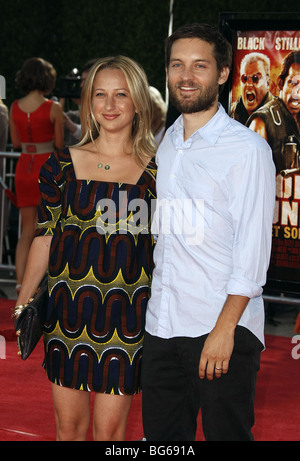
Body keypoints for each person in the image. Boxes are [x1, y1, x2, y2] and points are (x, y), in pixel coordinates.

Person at [142, 23, 276, 441]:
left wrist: (224, 331)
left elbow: (253, 253)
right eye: (177, 65)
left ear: (222, 74)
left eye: (200, 65)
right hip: (162, 325)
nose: (186, 76)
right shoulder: (166, 143)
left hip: (220, 327)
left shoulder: (247, 149)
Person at [14, 55, 156, 441]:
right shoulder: (60, 166)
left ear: (139, 101)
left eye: (121, 94)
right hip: (68, 313)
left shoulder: (161, 171)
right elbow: (44, 237)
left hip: (128, 318)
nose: (109, 106)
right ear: (87, 103)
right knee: (69, 429)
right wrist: (24, 301)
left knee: (110, 433)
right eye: (100, 95)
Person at [9, 57, 64, 293]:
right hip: (47, 169)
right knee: (49, 229)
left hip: (23, 168)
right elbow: (60, 144)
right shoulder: (54, 108)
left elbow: (16, 142)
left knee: (26, 231)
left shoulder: (14, 107)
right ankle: (43, 285)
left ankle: (21, 283)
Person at [247, 50, 300, 174]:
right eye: (293, 83)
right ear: (281, 83)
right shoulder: (261, 123)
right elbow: (250, 177)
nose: (297, 93)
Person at [231, 52, 274, 125]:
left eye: (255, 78)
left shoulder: (279, 115)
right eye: (245, 78)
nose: (249, 84)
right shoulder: (231, 112)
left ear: (267, 83)